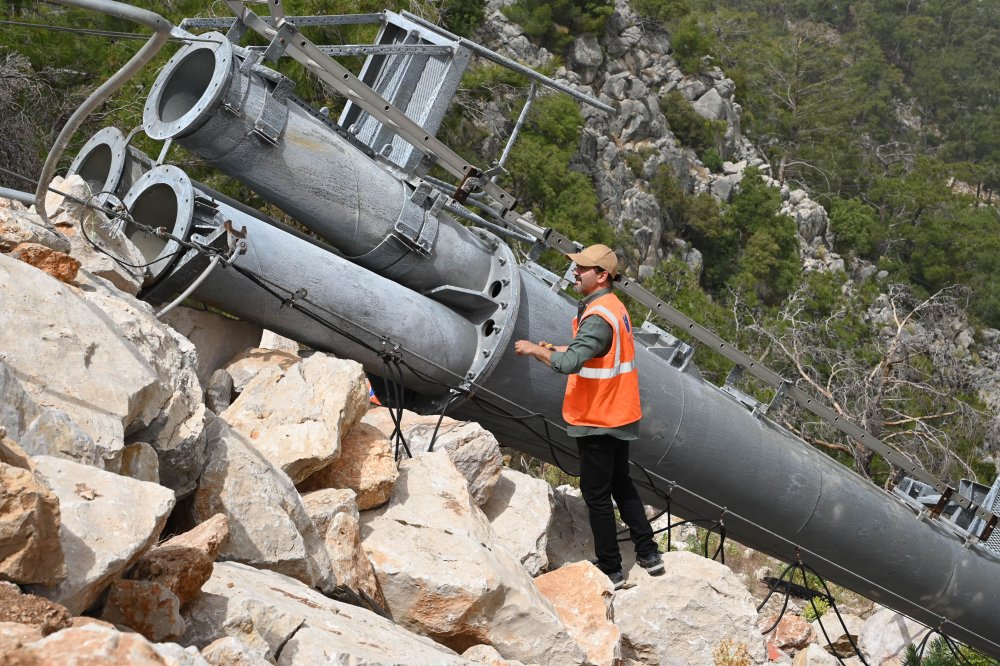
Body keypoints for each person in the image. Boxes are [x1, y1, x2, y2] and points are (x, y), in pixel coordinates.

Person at [514, 244, 664, 590]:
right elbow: (593, 352)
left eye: (582, 268)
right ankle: (649, 553)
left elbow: (570, 364)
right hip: (618, 412)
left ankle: (611, 568)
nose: (576, 272)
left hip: (599, 417)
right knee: (621, 483)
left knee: (596, 495)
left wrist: (535, 351)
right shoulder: (613, 307)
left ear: (602, 275)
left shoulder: (597, 316)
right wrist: (555, 348)